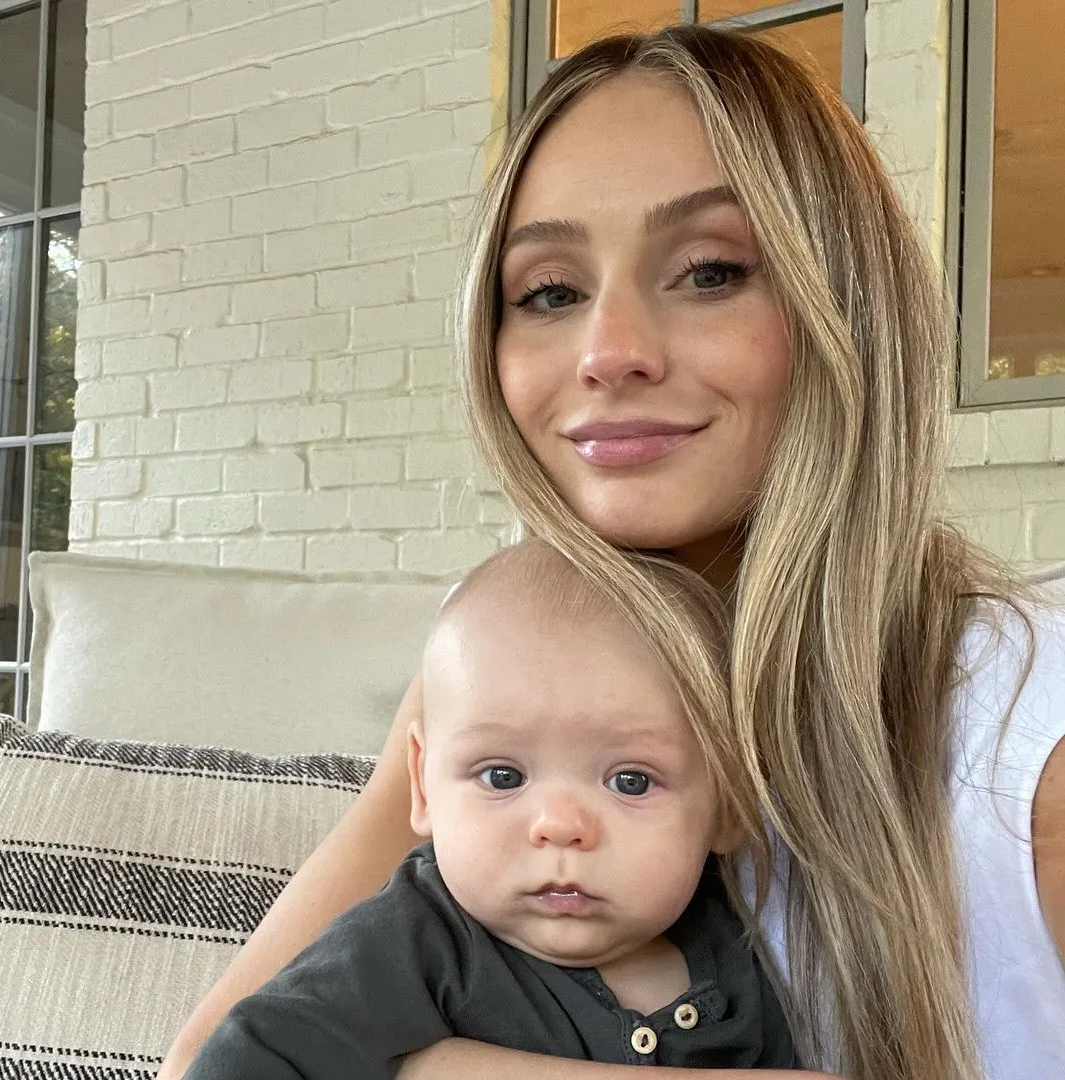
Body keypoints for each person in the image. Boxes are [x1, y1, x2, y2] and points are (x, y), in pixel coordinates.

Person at [160, 23, 1065, 1080]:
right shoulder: (510, 657)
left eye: (710, 271)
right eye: (550, 291)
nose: (609, 351)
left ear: (849, 308)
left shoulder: (1024, 740)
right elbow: (212, 1060)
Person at [182, 540, 804, 1077]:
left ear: (731, 806)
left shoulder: (742, 955)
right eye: (503, 776)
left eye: (632, 782)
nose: (560, 825)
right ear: (422, 786)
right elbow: (244, 1057)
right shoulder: (415, 941)